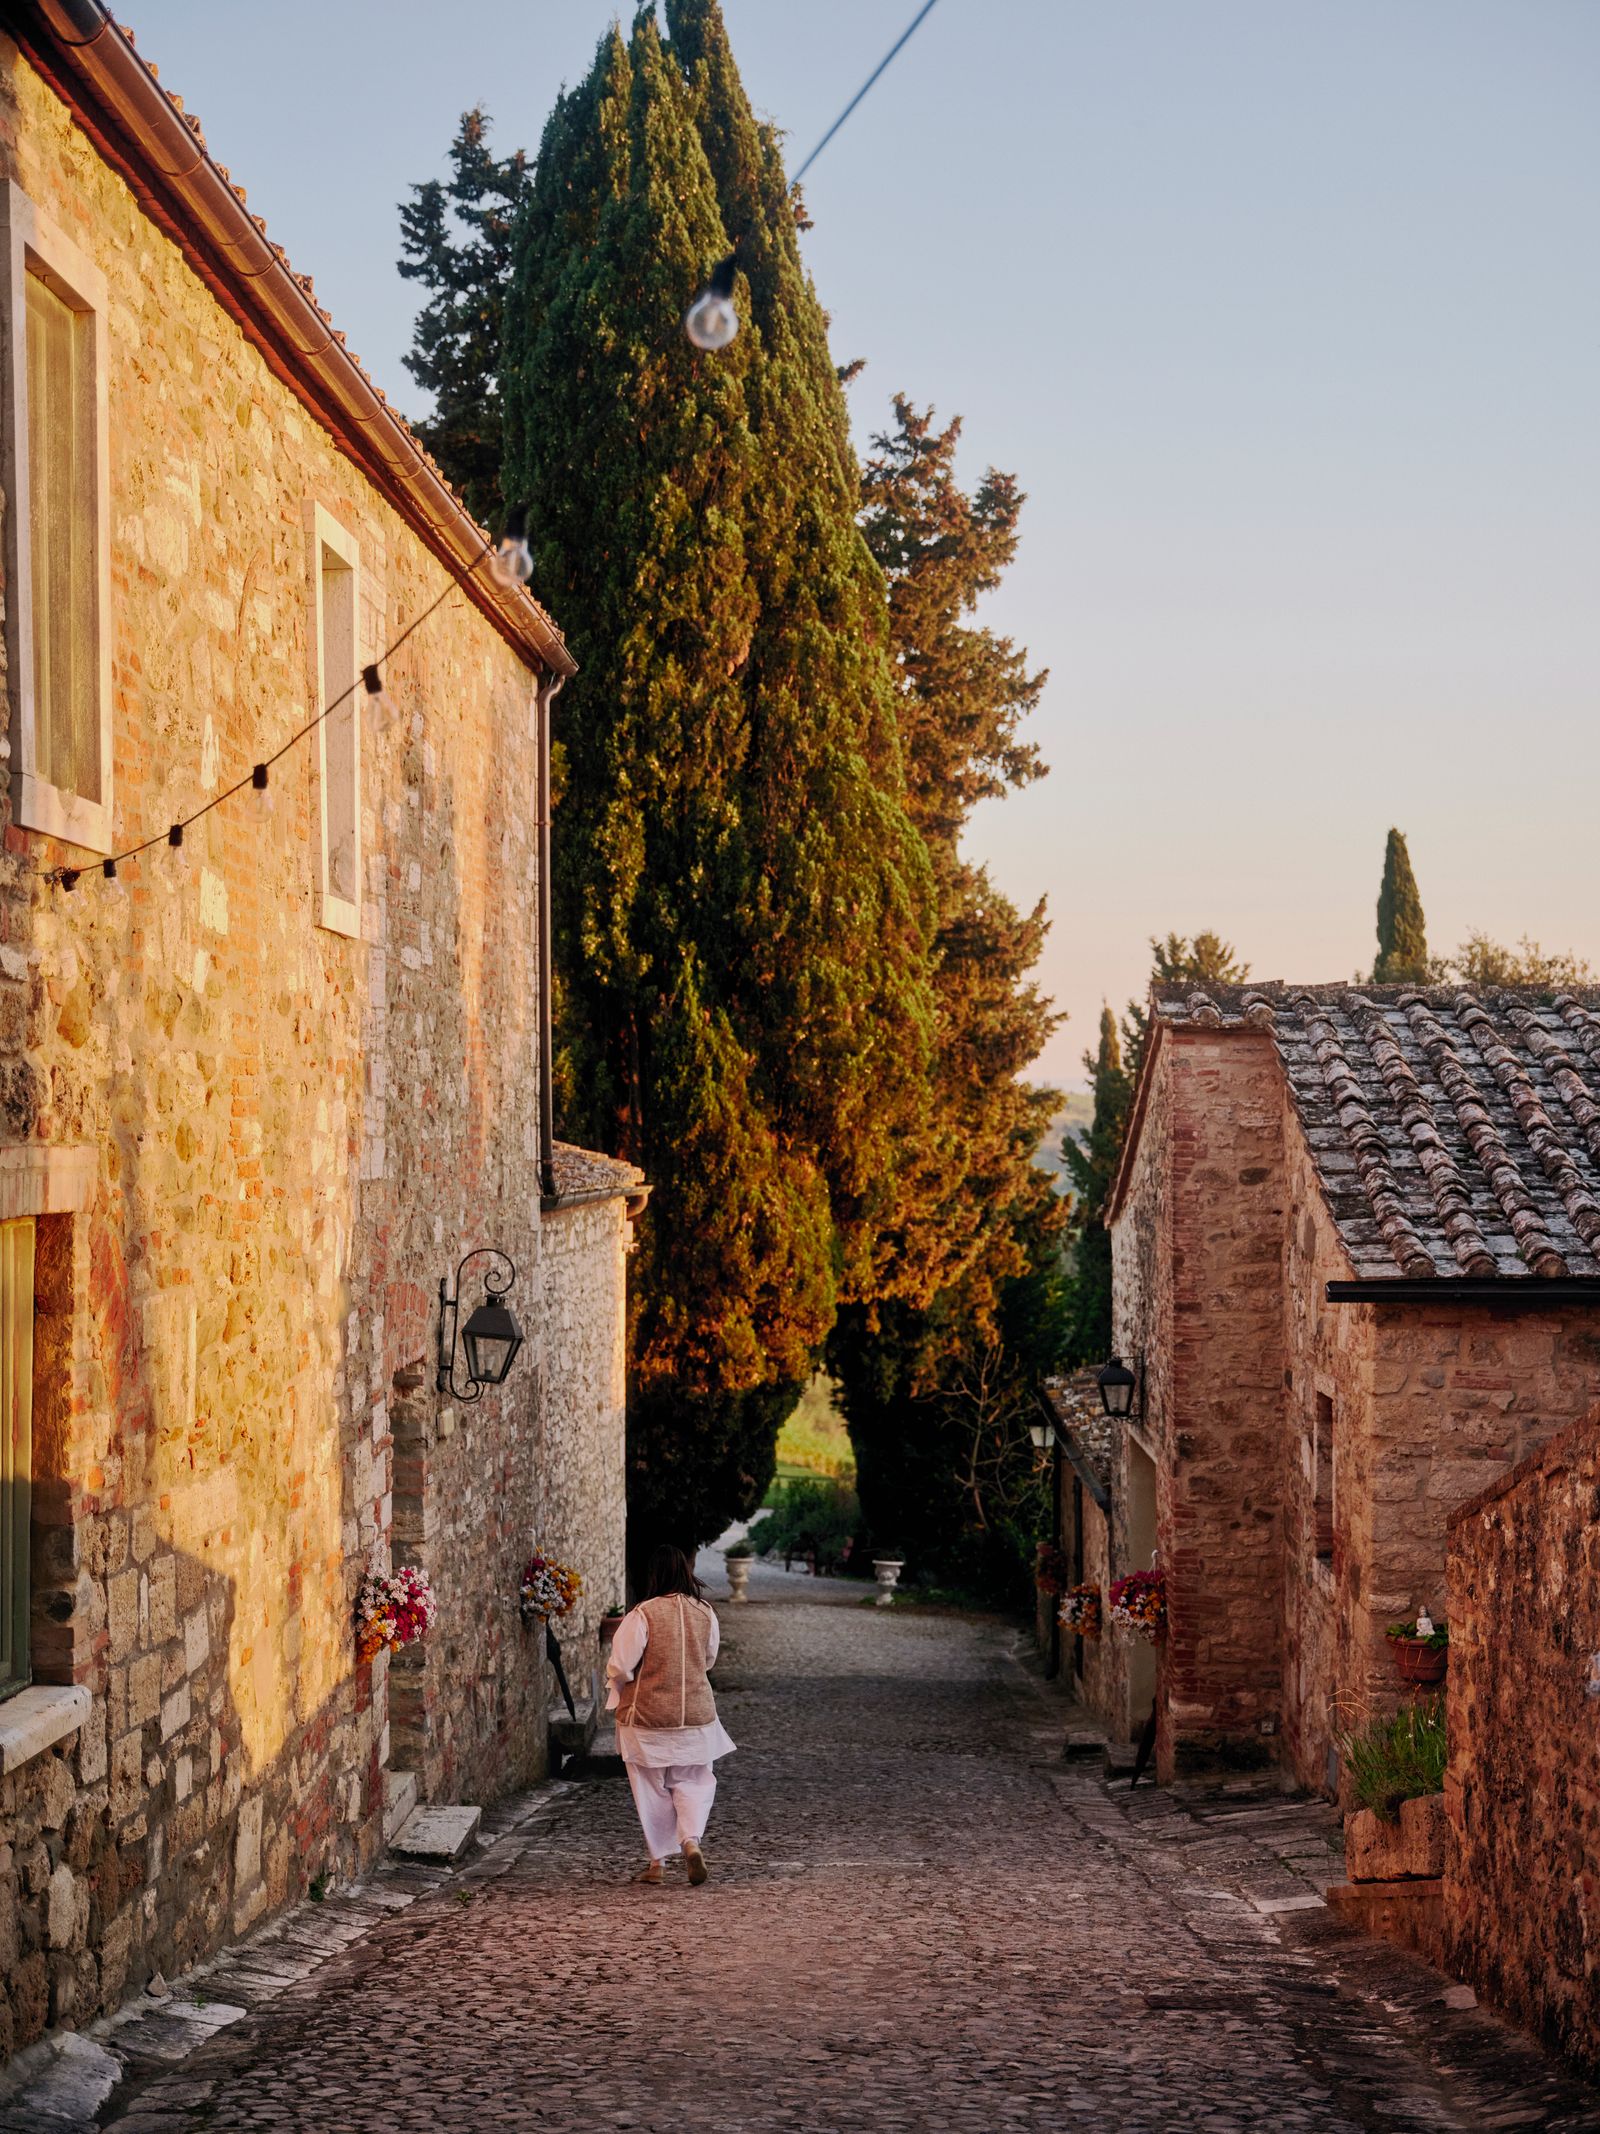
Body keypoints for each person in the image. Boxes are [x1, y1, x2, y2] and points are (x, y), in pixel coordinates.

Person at [605, 1543, 735, 1887]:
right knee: (694, 1781)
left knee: (650, 1787)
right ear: (684, 1572)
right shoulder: (705, 1611)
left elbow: (620, 1664)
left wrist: (619, 1683)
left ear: (655, 1574)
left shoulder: (643, 1614)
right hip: (696, 1717)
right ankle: (690, 1841)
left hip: (647, 1717)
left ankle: (657, 1862)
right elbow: (708, 1659)